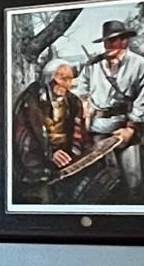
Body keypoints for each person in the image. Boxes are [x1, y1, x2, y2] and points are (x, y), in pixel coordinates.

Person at [76, 20, 144, 197]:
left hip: (124, 128)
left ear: (124, 41)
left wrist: (130, 129)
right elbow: (82, 93)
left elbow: (143, 99)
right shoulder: (92, 64)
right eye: (106, 41)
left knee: (133, 179)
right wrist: (85, 114)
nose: (108, 45)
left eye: (113, 40)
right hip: (97, 129)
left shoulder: (139, 64)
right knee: (101, 181)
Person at [13, 58, 91, 202]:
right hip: (37, 157)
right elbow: (26, 135)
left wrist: (73, 154)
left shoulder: (73, 101)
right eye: (63, 78)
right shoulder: (31, 99)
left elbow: (78, 132)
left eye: (70, 79)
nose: (67, 84)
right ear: (49, 77)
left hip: (65, 158)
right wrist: (49, 152)